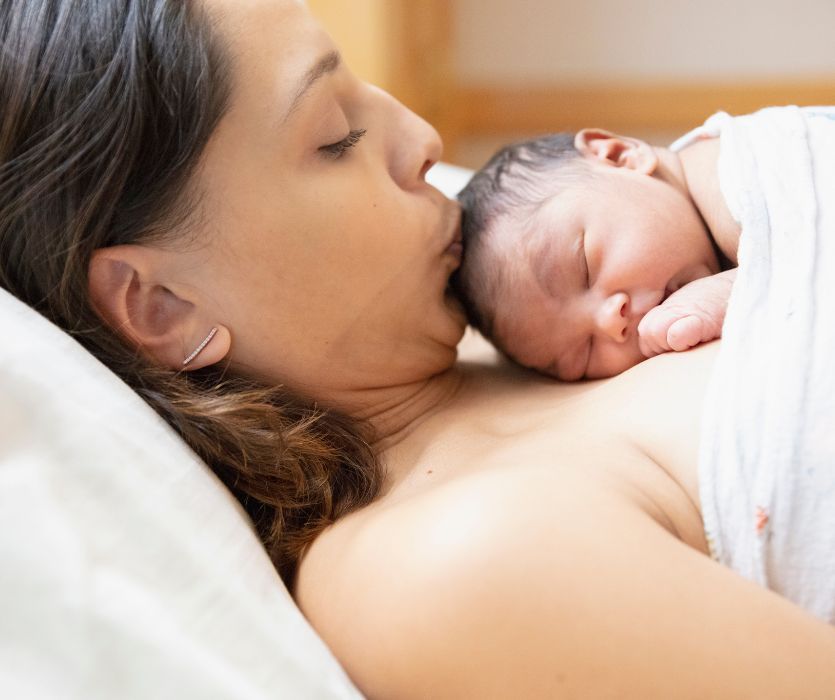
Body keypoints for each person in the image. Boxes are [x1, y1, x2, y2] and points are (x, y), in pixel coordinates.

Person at [1, 1, 833, 698]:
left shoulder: (526, 314)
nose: (423, 138)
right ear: (163, 307)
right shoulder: (442, 564)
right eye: (335, 136)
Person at [453, 126, 741, 380]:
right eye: (583, 356)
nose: (610, 322)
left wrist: (730, 290)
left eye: (586, 270)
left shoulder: (728, 174)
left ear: (618, 156)